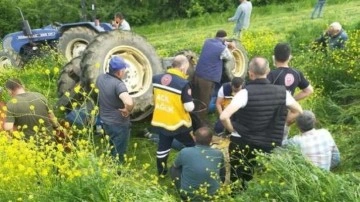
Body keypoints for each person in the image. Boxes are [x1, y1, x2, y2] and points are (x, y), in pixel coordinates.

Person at [220, 57, 303, 190]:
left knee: (238, 176)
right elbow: (299, 111)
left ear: (250, 74)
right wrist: (284, 123)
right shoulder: (282, 92)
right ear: (268, 71)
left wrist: (231, 129)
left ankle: (237, 195)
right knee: (260, 175)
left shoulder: (244, 93)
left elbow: (224, 116)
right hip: (268, 141)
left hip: (242, 140)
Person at [151, 55, 196, 176]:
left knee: (163, 147)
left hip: (161, 119)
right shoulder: (183, 83)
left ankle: (161, 172)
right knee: (192, 145)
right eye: (186, 67)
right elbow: (189, 107)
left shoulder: (156, 78)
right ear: (182, 67)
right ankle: (193, 167)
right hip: (178, 122)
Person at [170, 127, 225, 201]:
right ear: (211, 140)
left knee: (174, 167)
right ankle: (215, 189)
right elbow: (222, 173)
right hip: (212, 195)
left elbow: (175, 166)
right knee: (221, 168)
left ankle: (180, 190)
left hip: (188, 194)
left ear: (194, 138)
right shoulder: (218, 153)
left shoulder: (185, 151)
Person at [96, 56, 134, 163]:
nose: (125, 72)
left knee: (111, 144)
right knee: (119, 150)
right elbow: (129, 102)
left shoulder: (100, 78)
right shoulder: (119, 85)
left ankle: (110, 163)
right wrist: (128, 110)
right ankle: (117, 171)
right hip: (119, 124)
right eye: (124, 70)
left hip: (105, 121)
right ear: (119, 72)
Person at [192, 30, 234, 120]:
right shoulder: (222, 48)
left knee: (195, 99)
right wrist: (231, 48)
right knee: (204, 102)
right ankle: (200, 123)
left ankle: (192, 118)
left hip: (197, 75)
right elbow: (229, 57)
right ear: (225, 38)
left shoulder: (207, 41)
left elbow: (220, 43)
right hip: (207, 79)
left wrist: (226, 43)